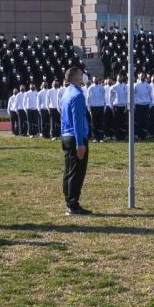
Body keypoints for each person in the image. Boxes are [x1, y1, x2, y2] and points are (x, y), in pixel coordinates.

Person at [59, 66, 92, 215]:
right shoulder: (77, 95)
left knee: (69, 171)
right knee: (77, 172)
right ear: (76, 78)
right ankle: (73, 205)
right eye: (81, 74)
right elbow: (77, 120)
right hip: (75, 137)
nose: (84, 76)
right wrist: (80, 143)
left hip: (66, 135)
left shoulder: (66, 93)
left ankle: (69, 200)